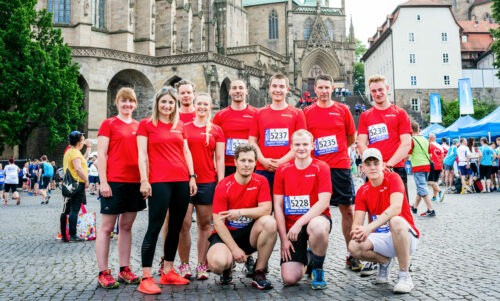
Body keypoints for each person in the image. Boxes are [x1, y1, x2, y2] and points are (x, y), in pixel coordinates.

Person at [136, 86, 197, 295]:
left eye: (171, 102)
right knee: (154, 227)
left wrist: (192, 176)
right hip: (159, 182)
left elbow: (186, 151)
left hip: (181, 181)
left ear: (175, 105)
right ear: (157, 103)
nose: (167, 106)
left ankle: (168, 270)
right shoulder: (146, 125)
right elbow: (142, 155)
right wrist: (144, 180)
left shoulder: (180, 124)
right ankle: (146, 277)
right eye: (164, 102)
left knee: (176, 227)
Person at [303, 74, 361, 271]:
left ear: (332, 89)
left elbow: (351, 137)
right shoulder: (307, 112)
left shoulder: (342, 109)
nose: (324, 91)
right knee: (313, 211)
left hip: (339, 166)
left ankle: (351, 253)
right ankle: (312, 255)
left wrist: (338, 150)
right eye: (321, 88)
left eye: (327, 87)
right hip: (316, 168)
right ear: (315, 90)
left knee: (348, 210)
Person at [95, 87, 146, 289]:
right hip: (114, 181)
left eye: (131, 101)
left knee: (126, 227)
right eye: (123, 101)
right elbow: (101, 155)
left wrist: (144, 180)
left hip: (134, 182)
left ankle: (124, 269)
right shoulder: (108, 124)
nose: (127, 105)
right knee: (107, 228)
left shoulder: (138, 126)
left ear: (135, 104)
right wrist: (103, 182)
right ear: (117, 103)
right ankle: (103, 272)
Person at [349, 148, 420, 294]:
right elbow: (357, 222)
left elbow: (396, 208)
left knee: (396, 221)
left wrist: (368, 228)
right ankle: (384, 261)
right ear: (363, 168)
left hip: (405, 235)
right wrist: (357, 231)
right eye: (368, 164)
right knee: (353, 246)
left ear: (383, 165)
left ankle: (404, 275)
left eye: (376, 163)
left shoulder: (393, 178)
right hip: (381, 238)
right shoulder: (362, 190)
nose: (373, 167)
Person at [206, 144, 277, 290]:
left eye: (250, 161)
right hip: (226, 235)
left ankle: (259, 271)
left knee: (270, 223)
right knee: (217, 264)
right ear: (235, 162)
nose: (246, 165)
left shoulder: (261, 181)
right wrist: (234, 249)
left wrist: (239, 212)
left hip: (249, 233)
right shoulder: (224, 185)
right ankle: (227, 267)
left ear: (255, 163)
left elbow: (266, 209)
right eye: (243, 160)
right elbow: (218, 223)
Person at [273, 130, 332, 289]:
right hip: (291, 227)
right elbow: (277, 206)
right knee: (290, 279)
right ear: (291, 146)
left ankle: (318, 269)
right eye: (297, 144)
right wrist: (284, 239)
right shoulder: (282, 169)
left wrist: (299, 223)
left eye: (305, 144)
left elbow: (324, 202)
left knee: (318, 227)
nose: (301, 148)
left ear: (312, 146)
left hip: (315, 219)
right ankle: (309, 258)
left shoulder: (322, 167)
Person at [177, 93, 225, 280]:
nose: (202, 107)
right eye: (200, 104)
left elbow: (220, 158)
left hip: (207, 181)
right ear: (194, 106)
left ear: (211, 107)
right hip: (185, 181)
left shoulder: (216, 130)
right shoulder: (184, 127)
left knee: (205, 225)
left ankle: (202, 264)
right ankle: (184, 264)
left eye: (206, 104)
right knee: (184, 224)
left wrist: (221, 181)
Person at [249, 73, 306, 193]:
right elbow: (252, 141)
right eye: (274, 86)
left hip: (289, 168)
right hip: (263, 168)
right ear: (269, 89)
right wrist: (263, 160)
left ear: (287, 89)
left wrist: (281, 162)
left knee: (287, 210)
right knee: (265, 209)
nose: (278, 90)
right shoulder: (259, 113)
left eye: (281, 86)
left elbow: (302, 143)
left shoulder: (297, 113)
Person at [357, 75, 412, 199]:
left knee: (399, 214)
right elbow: (361, 144)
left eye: (380, 89)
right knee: (374, 212)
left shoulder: (400, 113)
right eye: (374, 91)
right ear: (370, 92)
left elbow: (406, 144)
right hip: (373, 170)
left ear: (387, 89)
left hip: (395, 168)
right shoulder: (365, 116)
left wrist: (388, 165)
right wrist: (376, 164)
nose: (378, 93)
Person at [213, 79, 258, 177]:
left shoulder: (256, 114)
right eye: (234, 88)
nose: (237, 91)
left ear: (246, 91)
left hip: (249, 164)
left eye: (241, 88)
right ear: (229, 92)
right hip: (227, 165)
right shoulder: (220, 115)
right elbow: (214, 142)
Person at [60, 131, 90, 242]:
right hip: (77, 184)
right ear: (79, 142)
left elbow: (84, 161)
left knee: (66, 210)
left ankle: (64, 234)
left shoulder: (69, 152)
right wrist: (86, 180)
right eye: (82, 140)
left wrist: (89, 147)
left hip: (68, 185)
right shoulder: (75, 153)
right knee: (74, 210)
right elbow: (78, 168)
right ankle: (73, 235)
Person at [409, 122, 435, 217]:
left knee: (422, 187)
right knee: (421, 187)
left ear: (410, 130)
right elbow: (430, 155)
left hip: (418, 166)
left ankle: (431, 209)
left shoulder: (412, 140)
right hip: (426, 165)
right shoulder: (425, 140)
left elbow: (408, 154)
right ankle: (415, 207)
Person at [428, 134, 444, 202]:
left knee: (430, 182)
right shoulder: (440, 146)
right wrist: (442, 166)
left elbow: (428, 156)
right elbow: (442, 157)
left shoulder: (429, 145)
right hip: (439, 165)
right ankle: (434, 197)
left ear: (430, 138)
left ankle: (440, 192)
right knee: (435, 182)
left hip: (432, 165)